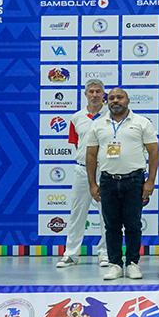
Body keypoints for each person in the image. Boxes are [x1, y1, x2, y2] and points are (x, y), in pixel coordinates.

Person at [86, 88, 159, 280]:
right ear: (107, 102)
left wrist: (150, 181)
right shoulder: (98, 125)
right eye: (111, 98)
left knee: (133, 225)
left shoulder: (141, 122)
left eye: (120, 97)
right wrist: (92, 184)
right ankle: (115, 264)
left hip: (134, 181)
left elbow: (154, 152)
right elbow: (91, 155)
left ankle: (133, 263)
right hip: (108, 181)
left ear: (127, 100)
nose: (115, 101)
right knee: (111, 226)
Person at [56, 79, 109, 269]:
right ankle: (71, 254)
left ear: (103, 94)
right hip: (82, 170)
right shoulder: (76, 117)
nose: (94, 95)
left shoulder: (111, 115)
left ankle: (105, 253)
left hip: (105, 170)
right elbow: (76, 144)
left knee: (106, 214)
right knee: (77, 213)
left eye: (98, 91)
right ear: (85, 94)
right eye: (91, 91)